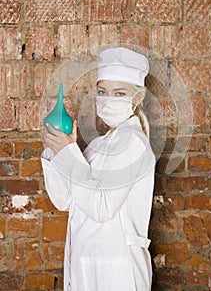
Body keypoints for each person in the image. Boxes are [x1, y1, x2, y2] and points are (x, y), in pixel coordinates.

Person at [41, 47, 156, 291]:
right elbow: (65, 200)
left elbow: (101, 207)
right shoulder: (98, 146)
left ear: (137, 98)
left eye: (119, 92)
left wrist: (67, 154)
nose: (108, 98)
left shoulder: (133, 142)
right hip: (87, 265)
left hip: (117, 270)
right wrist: (56, 150)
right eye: (103, 92)